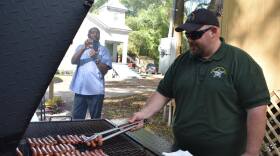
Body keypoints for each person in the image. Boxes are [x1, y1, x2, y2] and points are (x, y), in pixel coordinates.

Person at [129, 9, 270, 156]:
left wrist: (251, 152)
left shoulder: (239, 62)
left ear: (214, 32)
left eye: (195, 34)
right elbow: (163, 93)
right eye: (187, 34)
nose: (189, 39)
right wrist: (144, 113)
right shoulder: (181, 62)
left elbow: (257, 110)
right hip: (182, 151)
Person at [70, 27, 112, 119]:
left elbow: (104, 71)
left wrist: (96, 58)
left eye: (98, 33)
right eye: (93, 32)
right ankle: (78, 134)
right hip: (80, 89)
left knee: (95, 120)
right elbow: (73, 61)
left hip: (96, 91)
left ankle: (94, 134)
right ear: (88, 35)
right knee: (77, 119)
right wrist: (84, 47)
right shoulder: (80, 47)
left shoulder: (104, 50)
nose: (96, 34)